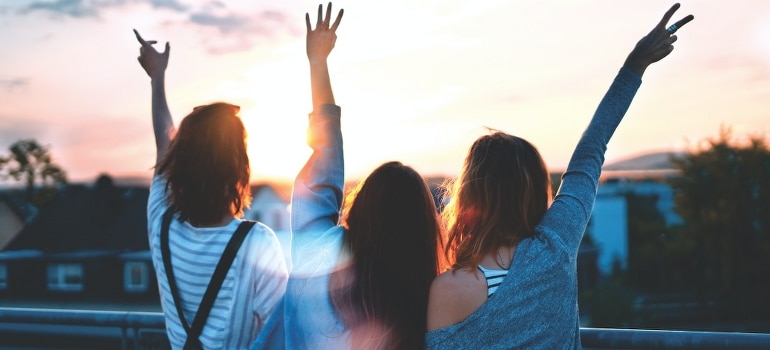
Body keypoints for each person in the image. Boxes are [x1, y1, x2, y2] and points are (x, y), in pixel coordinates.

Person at [425, 4, 694, 349]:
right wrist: (635, 65)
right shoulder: (555, 246)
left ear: (470, 195)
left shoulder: (446, 290)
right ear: (535, 190)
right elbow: (591, 149)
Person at [253, 3, 445, 350]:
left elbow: (325, 160)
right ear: (422, 228)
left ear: (363, 208)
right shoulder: (423, 303)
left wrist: (317, 62)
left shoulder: (316, 254)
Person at [134, 29, 288, 349]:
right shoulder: (257, 243)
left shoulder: (161, 222)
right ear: (238, 168)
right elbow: (282, 335)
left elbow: (164, 143)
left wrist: (157, 78)